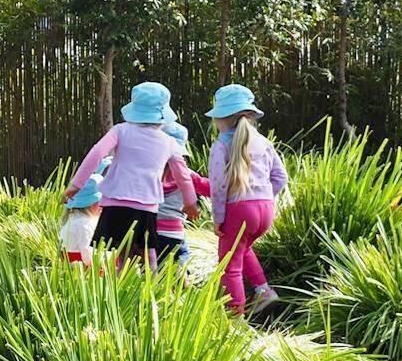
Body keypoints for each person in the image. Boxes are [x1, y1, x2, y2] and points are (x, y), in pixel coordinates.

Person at [65, 82, 198, 264]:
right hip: (146, 205)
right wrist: (190, 203)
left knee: (120, 253)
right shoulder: (169, 142)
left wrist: (76, 185)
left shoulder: (120, 131)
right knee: (148, 252)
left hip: (115, 202)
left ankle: (118, 288)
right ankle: (151, 289)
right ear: (162, 116)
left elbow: (96, 153)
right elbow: (183, 174)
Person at [206, 84, 287, 314]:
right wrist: (262, 197)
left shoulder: (221, 144)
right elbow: (281, 177)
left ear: (221, 119)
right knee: (243, 248)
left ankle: (235, 317)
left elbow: (219, 186)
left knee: (229, 264)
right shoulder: (263, 142)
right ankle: (263, 291)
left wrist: (218, 219)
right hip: (265, 211)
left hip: (239, 211)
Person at [152, 122, 211, 267]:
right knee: (181, 258)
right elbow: (209, 189)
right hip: (174, 232)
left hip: (150, 230)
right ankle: (182, 283)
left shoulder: (150, 172)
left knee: (152, 268)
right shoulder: (187, 175)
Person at [59, 156, 110, 263]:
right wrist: (114, 255)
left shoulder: (74, 219)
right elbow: (89, 257)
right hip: (84, 275)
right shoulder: (85, 225)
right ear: (91, 203)